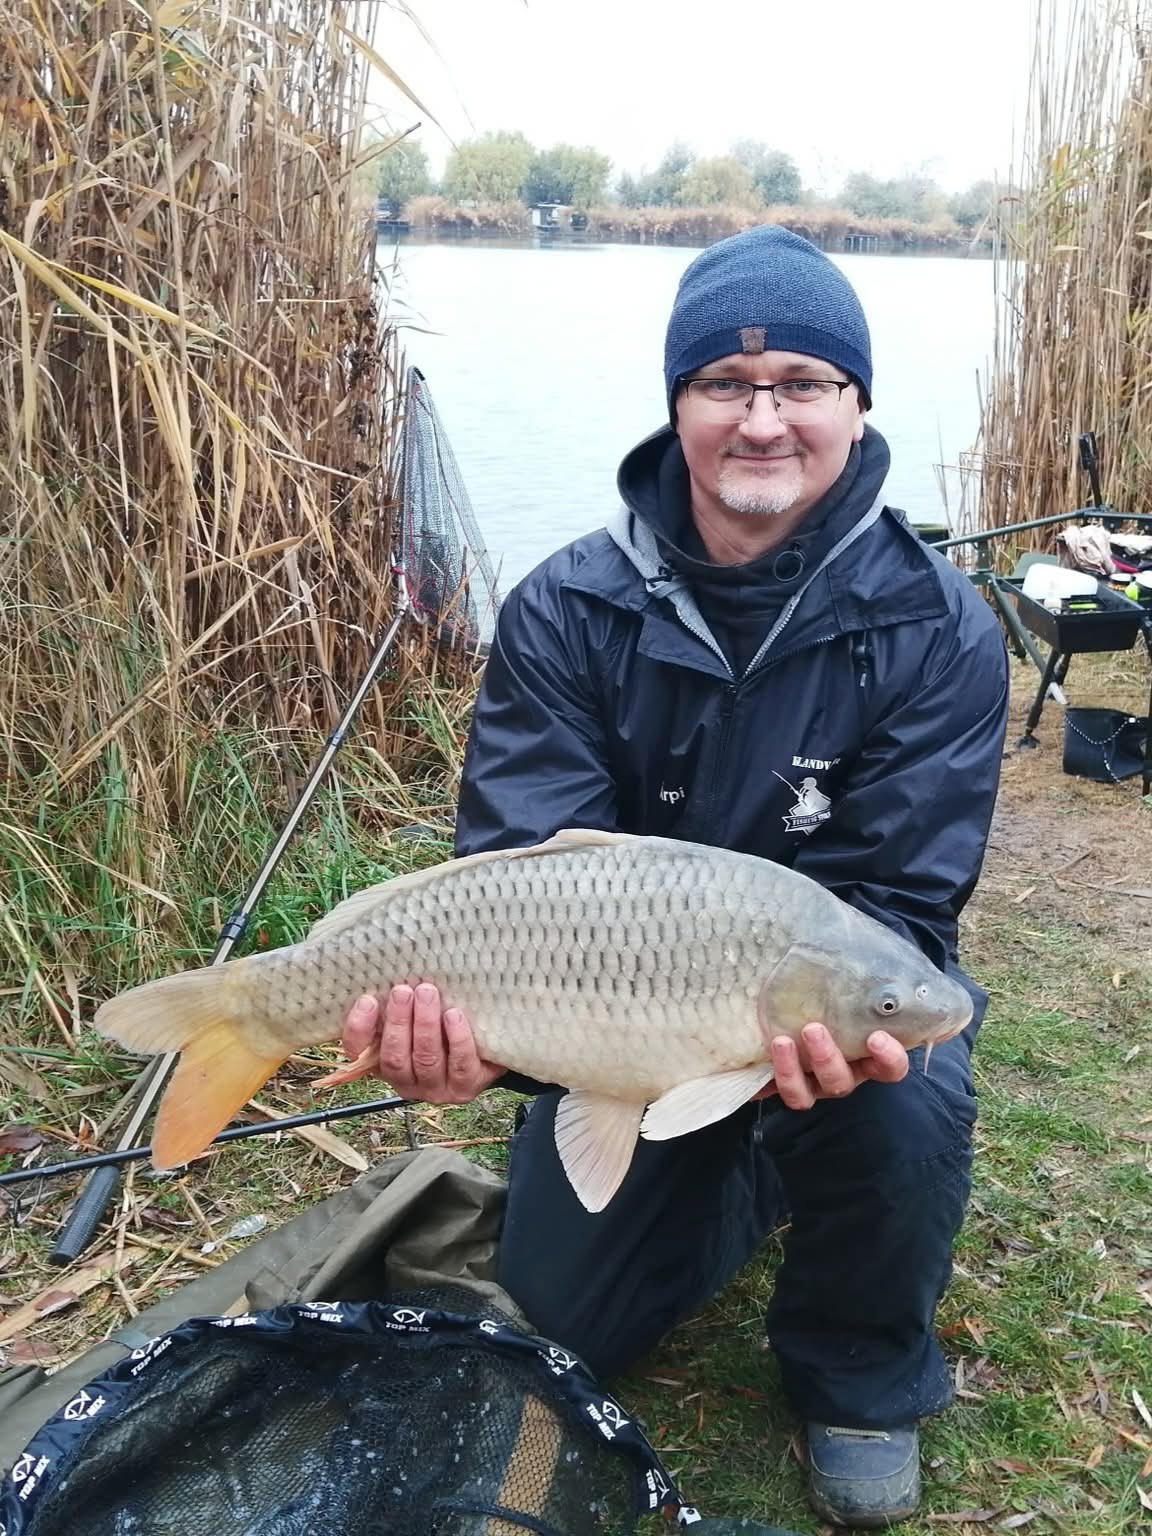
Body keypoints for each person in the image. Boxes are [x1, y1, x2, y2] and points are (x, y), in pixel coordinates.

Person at [342, 226, 1010, 1527]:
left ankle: (859, 1371)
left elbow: (903, 907)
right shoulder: (563, 609)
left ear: (857, 405)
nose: (764, 420)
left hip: (818, 984)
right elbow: (519, 886)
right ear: (680, 406)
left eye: (804, 383)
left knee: (907, 1075)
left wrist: (817, 1032)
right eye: (726, 386)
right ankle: (734, 1161)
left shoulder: (939, 627)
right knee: (567, 1317)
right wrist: (487, 1050)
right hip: (613, 1012)